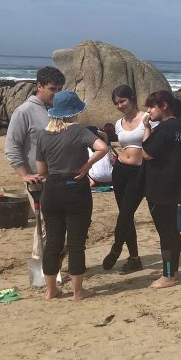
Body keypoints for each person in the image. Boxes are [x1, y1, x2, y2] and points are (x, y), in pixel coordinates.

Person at [34, 91, 108, 301]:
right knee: (76, 243)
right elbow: (102, 148)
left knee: (53, 243)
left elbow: (41, 170)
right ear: (74, 112)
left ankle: (51, 290)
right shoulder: (79, 131)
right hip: (75, 189)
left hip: (52, 190)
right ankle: (78, 292)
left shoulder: (43, 135)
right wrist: (86, 165)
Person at [141, 90, 181, 288]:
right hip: (173, 184)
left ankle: (168, 275)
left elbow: (147, 153)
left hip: (160, 187)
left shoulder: (165, 128)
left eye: (152, 106)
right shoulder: (180, 127)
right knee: (171, 231)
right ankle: (173, 272)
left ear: (164, 106)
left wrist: (146, 128)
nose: (148, 111)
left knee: (165, 233)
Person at [102, 85, 151, 274]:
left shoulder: (146, 118)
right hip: (120, 170)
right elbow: (121, 145)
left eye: (123, 101)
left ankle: (116, 248)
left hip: (139, 172)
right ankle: (134, 258)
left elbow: (152, 144)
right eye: (116, 103)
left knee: (125, 214)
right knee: (126, 214)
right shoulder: (118, 123)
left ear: (132, 98)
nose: (120, 105)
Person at [5, 66, 66, 185]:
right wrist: (25, 175)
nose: (57, 94)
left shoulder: (60, 110)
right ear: (39, 86)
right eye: (52, 89)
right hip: (38, 180)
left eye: (60, 89)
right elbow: (12, 146)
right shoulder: (24, 111)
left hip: (61, 178)